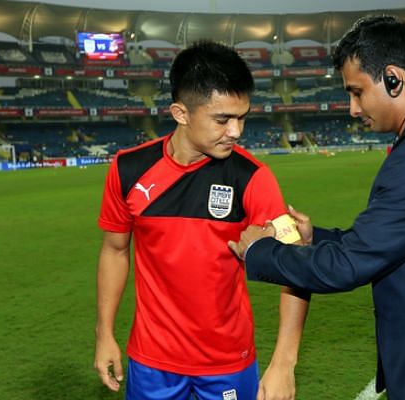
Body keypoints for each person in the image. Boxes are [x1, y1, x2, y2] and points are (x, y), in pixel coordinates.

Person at [229, 15, 405, 399]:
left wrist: (262, 251)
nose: (352, 108)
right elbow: (389, 241)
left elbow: (348, 266)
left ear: (393, 79)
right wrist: (316, 239)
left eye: (357, 92)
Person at [94, 40, 309, 400]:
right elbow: (114, 251)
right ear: (180, 113)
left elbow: (297, 265)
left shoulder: (253, 178)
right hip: (151, 363)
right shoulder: (129, 169)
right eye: (222, 119)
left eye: (242, 117)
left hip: (228, 362)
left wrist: (284, 364)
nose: (236, 131)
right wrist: (104, 333)